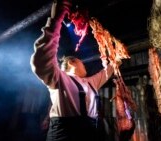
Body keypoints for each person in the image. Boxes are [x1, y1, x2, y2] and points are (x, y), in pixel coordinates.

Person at [30, 0, 120, 140]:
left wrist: (118, 57)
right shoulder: (58, 78)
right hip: (63, 134)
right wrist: (55, 21)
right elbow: (42, 60)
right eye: (81, 62)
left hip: (90, 133)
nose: (85, 65)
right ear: (71, 63)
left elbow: (109, 71)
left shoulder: (91, 82)